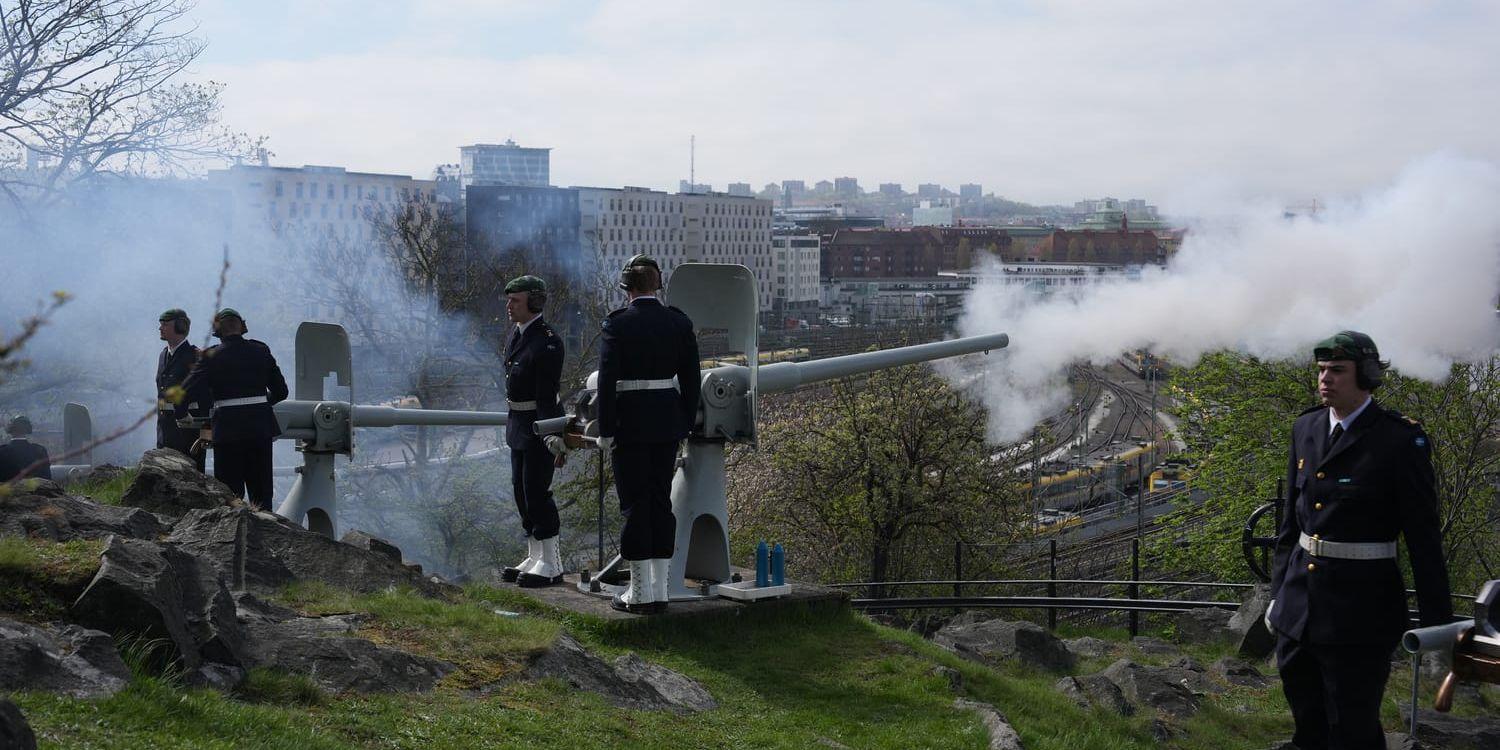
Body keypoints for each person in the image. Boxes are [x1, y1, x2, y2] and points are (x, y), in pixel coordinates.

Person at [1267, 331, 1452, 750]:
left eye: (1337, 370)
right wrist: (1277, 594)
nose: (1324, 379)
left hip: (1360, 614)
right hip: (1298, 608)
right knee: (1307, 726)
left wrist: (1438, 627)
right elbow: (1290, 525)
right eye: (1321, 370)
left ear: (1367, 376)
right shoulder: (1306, 427)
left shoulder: (1399, 441)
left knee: (1353, 730)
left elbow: (1423, 539)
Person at [596, 255, 700, 614]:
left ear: (627, 287)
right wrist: (683, 422)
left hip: (631, 425)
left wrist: (605, 429)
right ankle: (659, 590)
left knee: (635, 505)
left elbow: (607, 382)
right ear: (658, 285)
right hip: (667, 423)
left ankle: (639, 593)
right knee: (660, 503)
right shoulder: (678, 322)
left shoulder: (618, 325)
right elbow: (691, 380)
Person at [177, 308, 288, 511]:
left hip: (227, 433)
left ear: (217, 331)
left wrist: (183, 415)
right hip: (260, 431)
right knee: (262, 497)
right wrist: (261, 406)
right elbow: (281, 392)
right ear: (242, 327)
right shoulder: (261, 350)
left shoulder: (210, 356)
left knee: (230, 497)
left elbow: (183, 392)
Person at [498, 275, 569, 588]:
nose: (509, 306)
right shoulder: (518, 334)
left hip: (540, 425)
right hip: (518, 423)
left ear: (534, 302)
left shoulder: (548, 341)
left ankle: (552, 563)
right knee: (520, 491)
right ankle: (535, 555)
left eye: (515, 300)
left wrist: (551, 434)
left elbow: (546, 395)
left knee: (537, 492)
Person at [155, 308, 203, 472]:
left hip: (187, 430)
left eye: (165, 324)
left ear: (180, 327)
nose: (160, 328)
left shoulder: (194, 356)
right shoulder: (163, 355)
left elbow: (203, 394)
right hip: (165, 429)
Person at [0, 415, 51, 482]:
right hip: (36, 489)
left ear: (10, 430)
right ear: (27, 429)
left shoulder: (2, 451)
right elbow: (47, 479)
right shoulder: (40, 450)